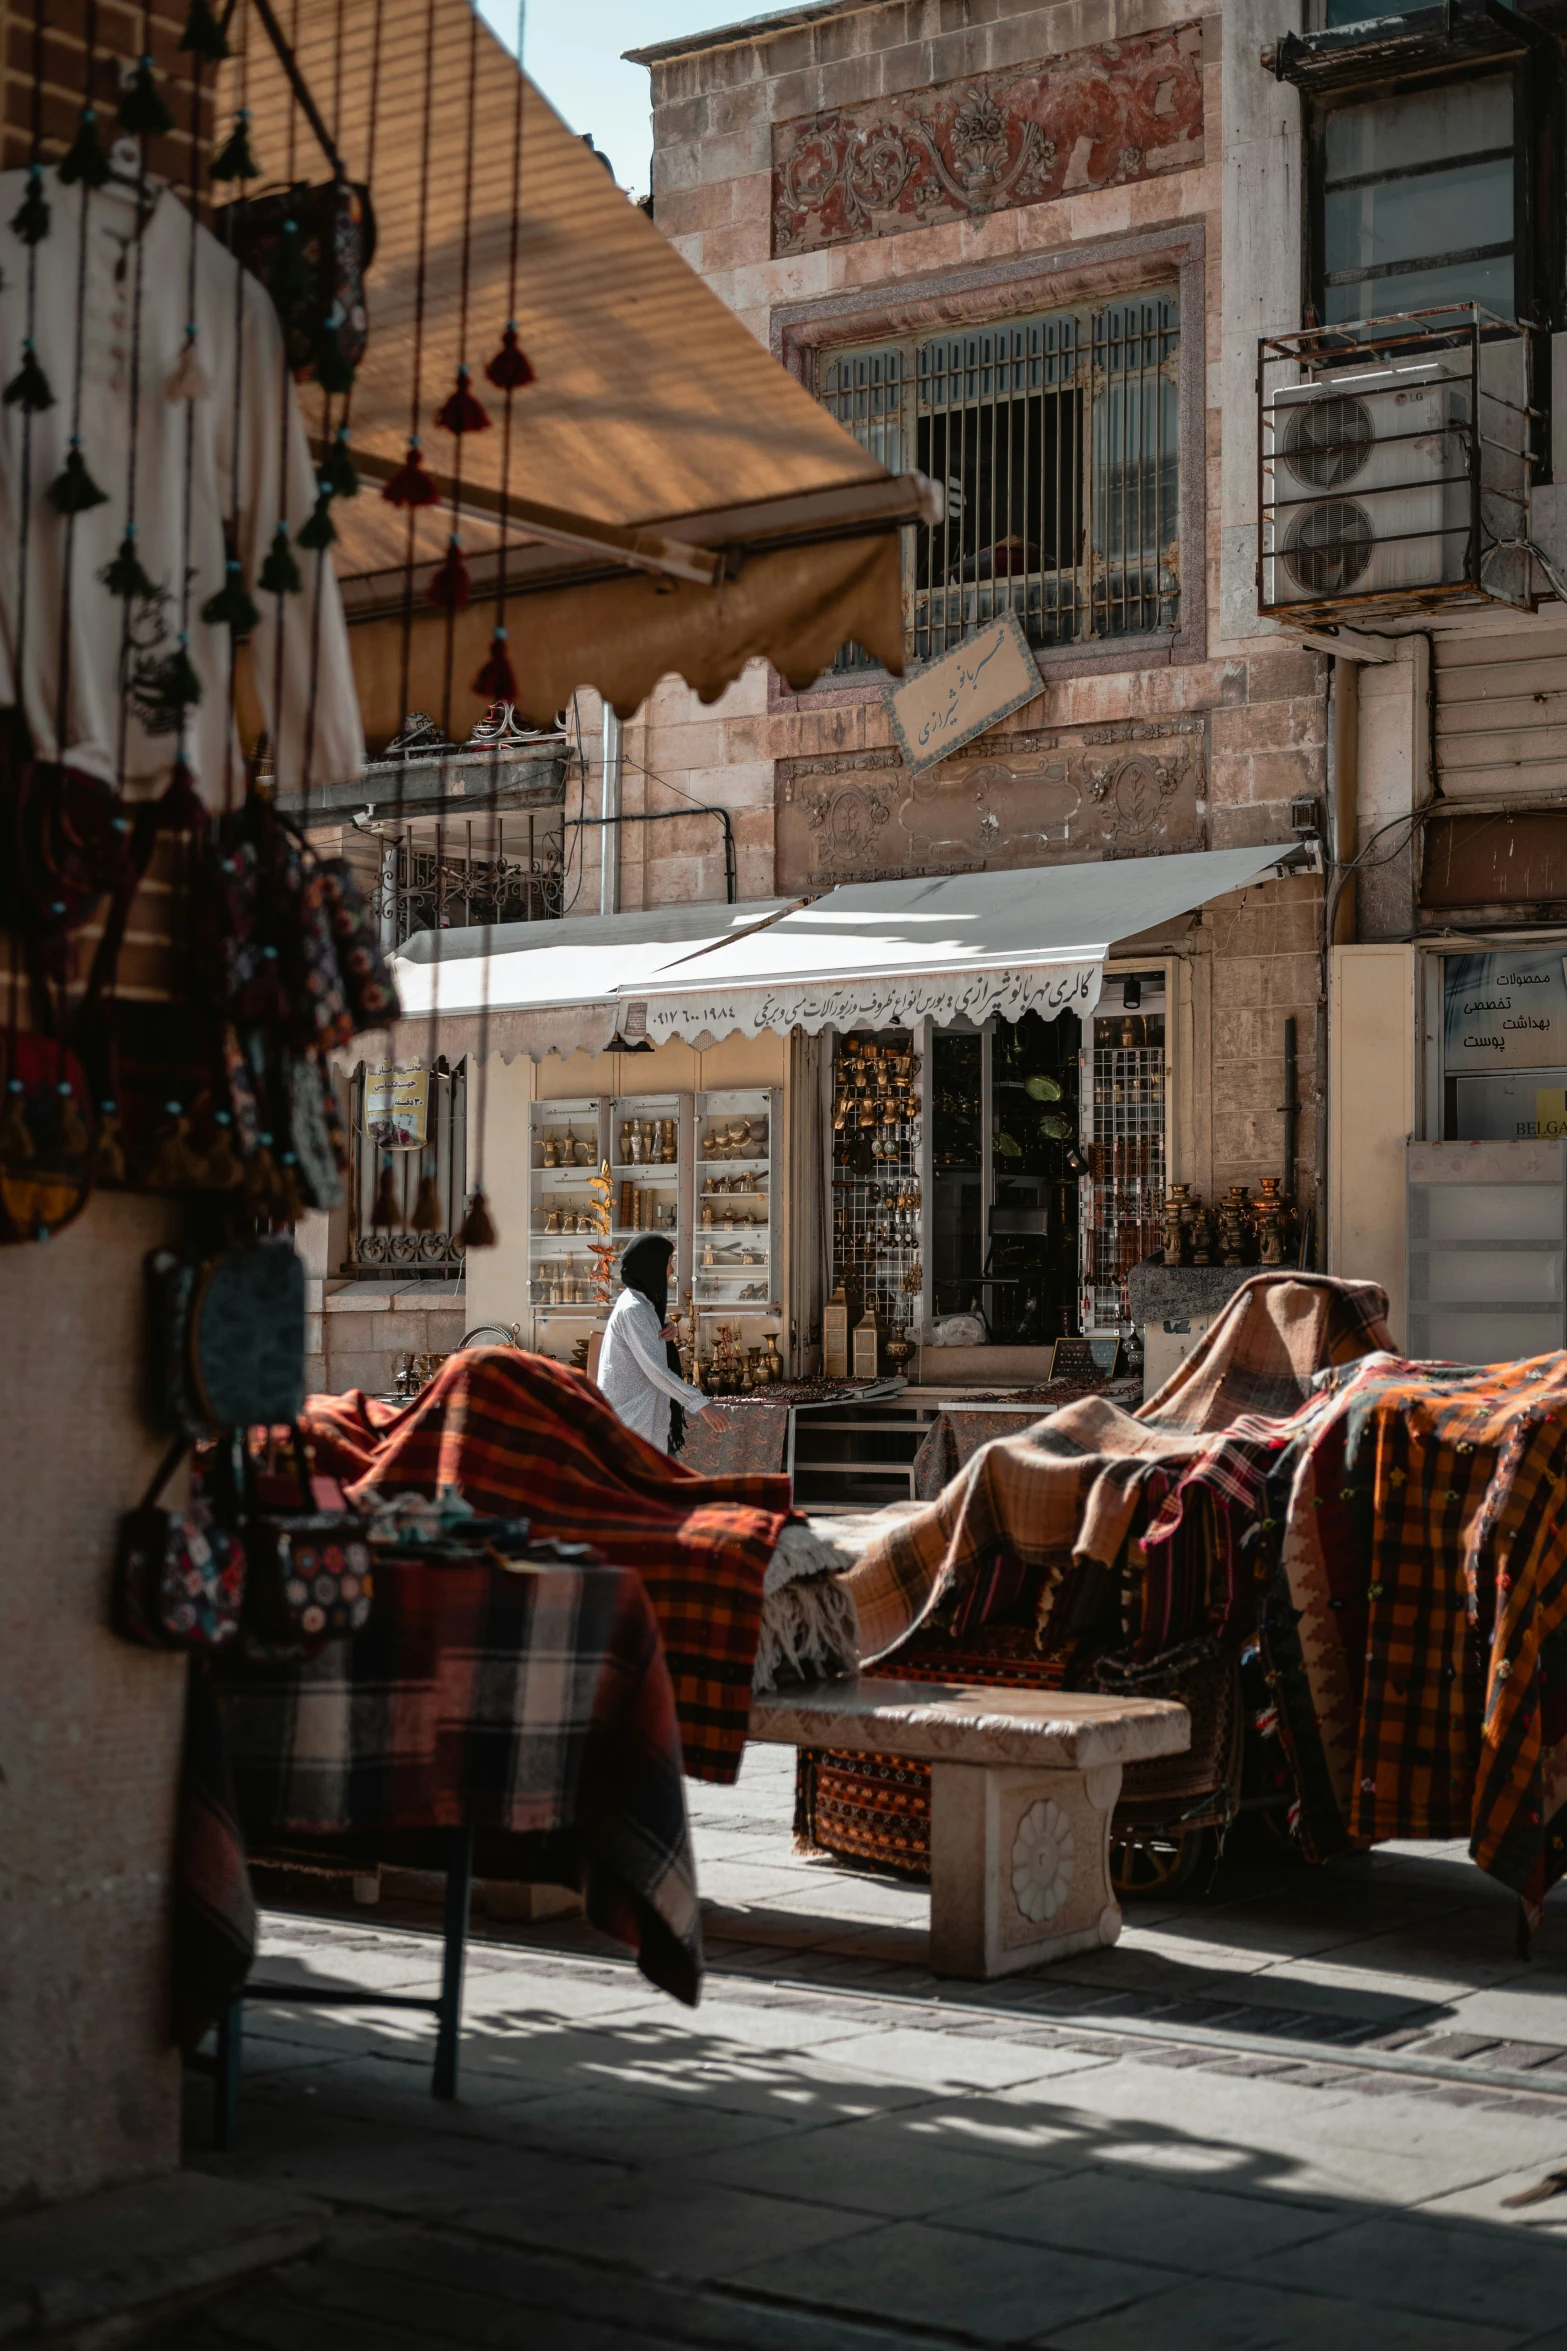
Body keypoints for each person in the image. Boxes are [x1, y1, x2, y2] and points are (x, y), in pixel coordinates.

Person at [597, 1234, 710, 1455]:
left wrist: (666, 1328)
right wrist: (700, 1403)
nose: (672, 1270)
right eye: (668, 1262)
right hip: (632, 1423)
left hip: (643, 1421)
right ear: (652, 1266)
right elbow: (655, 1370)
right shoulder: (634, 1309)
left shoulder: (643, 1305)